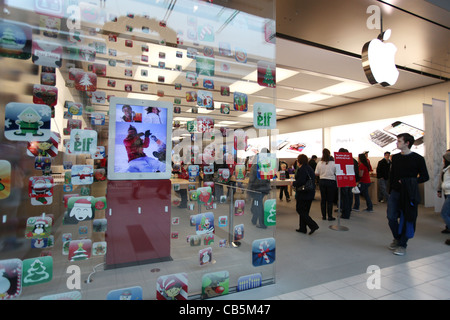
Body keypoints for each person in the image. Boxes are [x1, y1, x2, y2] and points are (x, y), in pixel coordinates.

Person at [387, 133, 429, 256]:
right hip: (395, 192)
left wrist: (410, 181)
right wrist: (390, 190)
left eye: (399, 141)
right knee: (391, 217)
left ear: (407, 143)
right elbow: (392, 175)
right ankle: (397, 238)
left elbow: (425, 177)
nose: (397, 143)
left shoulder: (418, 159)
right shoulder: (395, 158)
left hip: (409, 193)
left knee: (408, 219)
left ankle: (402, 244)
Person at [293, 154, 319, 234]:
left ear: (299, 161)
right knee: (305, 211)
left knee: (300, 209)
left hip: (303, 193)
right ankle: (302, 228)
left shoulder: (302, 169)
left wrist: (293, 183)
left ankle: (313, 225)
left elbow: (301, 181)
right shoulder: (308, 168)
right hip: (310, 192)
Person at [248, 148, 272, 228]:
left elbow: (252, 177)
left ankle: (262, 223)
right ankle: (254, 219)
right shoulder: (269, 163)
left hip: (257, 188)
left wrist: (249, 187)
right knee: (256, 204)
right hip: (264, 187)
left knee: (258, 205)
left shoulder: (257, 163)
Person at [315, 148, 337, 221]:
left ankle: (323, 216)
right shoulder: (334, 163)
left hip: (322, 182)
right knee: (330, 200)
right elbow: (337, 172)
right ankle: (330, 216)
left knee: (323, 199)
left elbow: (316, 173)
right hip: (331, 182)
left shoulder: (319, 163)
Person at [338, 148, 353, 219]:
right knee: (348, 197)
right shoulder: (353, 161)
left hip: (344, 181)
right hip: (349, 181)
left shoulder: (342, 161)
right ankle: (347, 211)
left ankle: (345, 213)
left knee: (345, 198)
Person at [438, 151, 450, 236]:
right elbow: (442, 180)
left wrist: (445, 186)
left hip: (449, 193)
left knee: (444, 213)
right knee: (447, 213)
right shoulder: (446, 169)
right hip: (447, 192)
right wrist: (440, 189)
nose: (443, 160)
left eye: (444, 159)